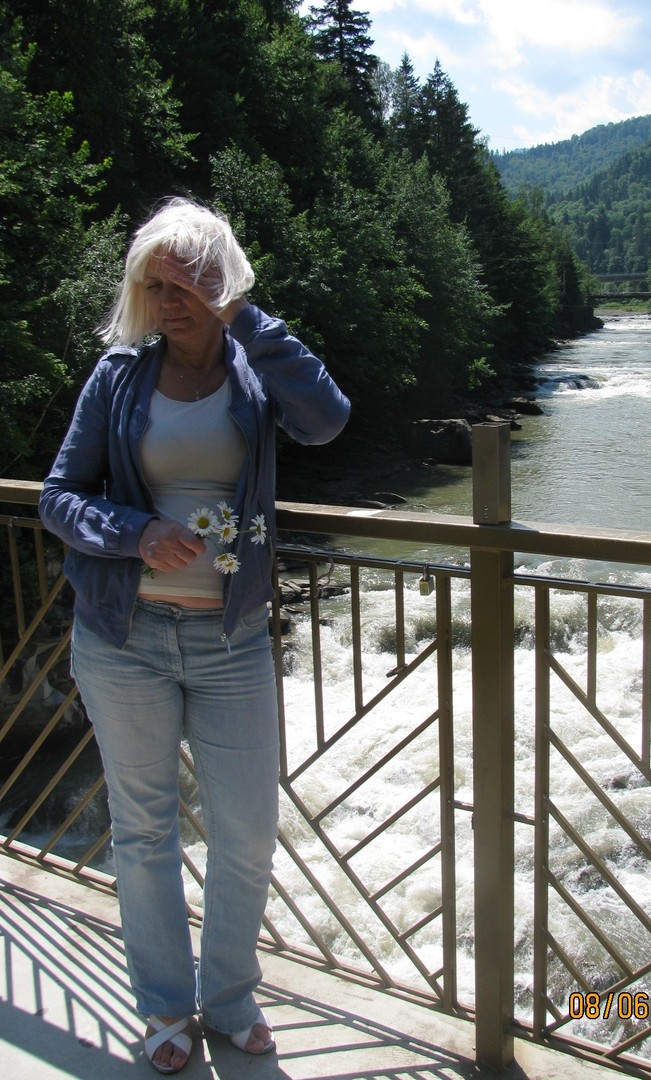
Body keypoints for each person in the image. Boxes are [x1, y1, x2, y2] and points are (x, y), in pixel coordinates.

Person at [39, 197, 350, 1074]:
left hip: (231, 637)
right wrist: (134, 533)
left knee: (246, 830)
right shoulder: (119, 376)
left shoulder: (255, 371)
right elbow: (59, 497)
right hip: (124, 634)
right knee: (145, 832)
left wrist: (243, 314)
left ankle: (232, 996)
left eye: (188, 283)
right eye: (156, 285)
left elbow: (326, 419)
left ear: (221, 283)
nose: (169, 300)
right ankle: (166, 1007)